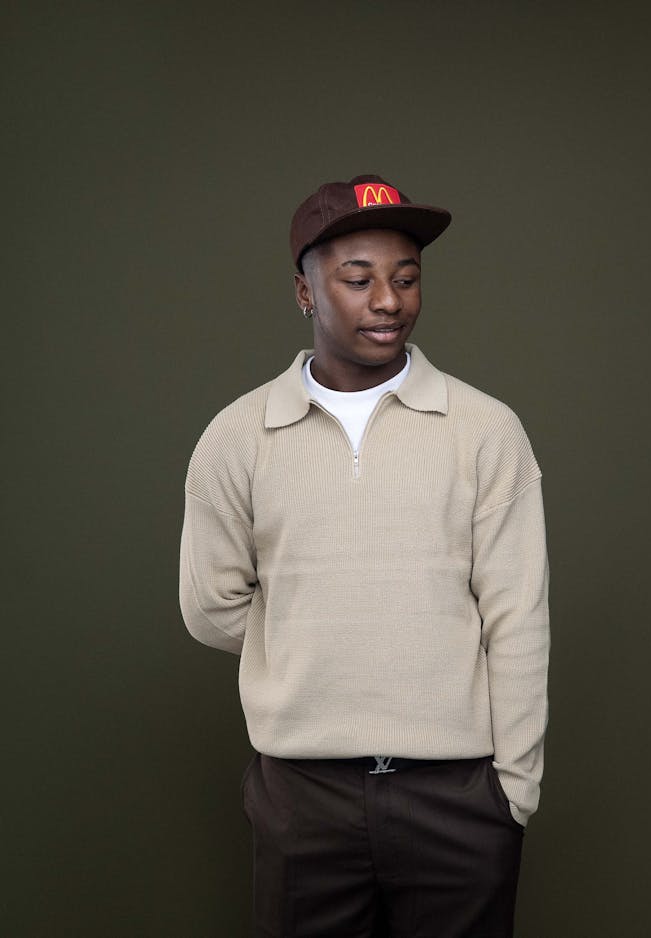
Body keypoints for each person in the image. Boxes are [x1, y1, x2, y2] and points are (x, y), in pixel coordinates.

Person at [179, 174, 550, 937]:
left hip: (458, 798)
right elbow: (210, 607)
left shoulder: (485, 430)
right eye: (359, 278)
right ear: (305, 292)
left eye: (406, 278)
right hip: (302, 798)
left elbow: (518, 615)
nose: (388, 299)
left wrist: (513, 790)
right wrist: (320, 627)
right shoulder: (239, 437)